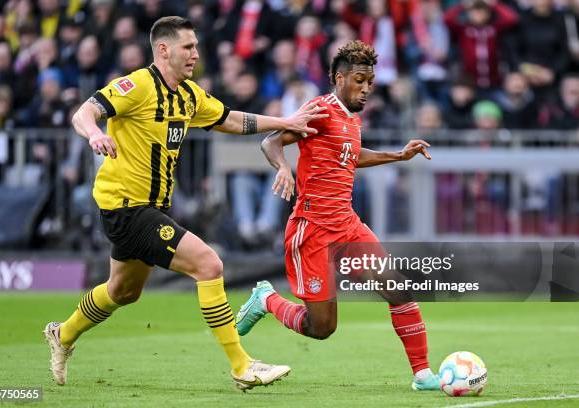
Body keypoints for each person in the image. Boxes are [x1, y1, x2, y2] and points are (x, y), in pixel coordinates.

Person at [43, 16, 327, 391]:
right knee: (209, 265)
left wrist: (284, 120)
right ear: (164, 50)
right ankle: (242, 365)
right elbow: (85, 111)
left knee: (122, 291)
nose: (195, 53)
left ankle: (62, 334)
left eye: (196, 46)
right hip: (127, 208)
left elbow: (229, 119)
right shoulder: (137, 86)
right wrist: (95, 133)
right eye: (188, 47)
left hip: (151, 209)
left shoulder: (189, 95)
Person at [235, 40, 441, 391]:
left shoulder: (352, 119)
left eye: (370, 82)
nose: (366, 88)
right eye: (359, 80)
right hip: (312, 229)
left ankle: (423, 375)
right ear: (339, 78)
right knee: (322, 328)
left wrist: (397, 156)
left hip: (347, 225)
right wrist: (283, 168)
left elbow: (352, 155)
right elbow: (270, 142)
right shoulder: (318, 109)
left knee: (399, 289)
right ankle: (266, 299)